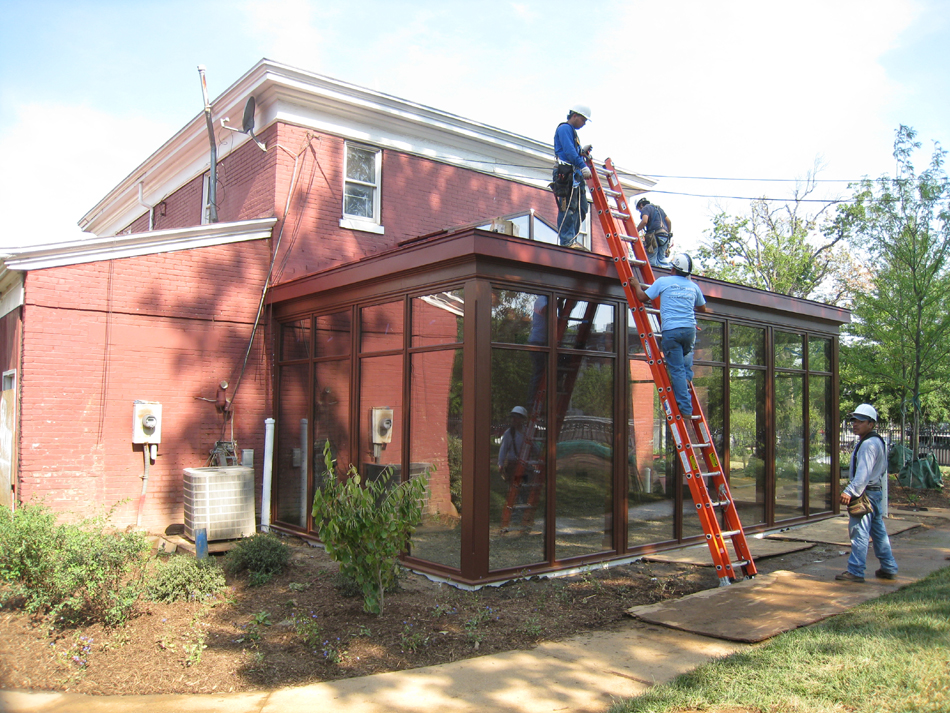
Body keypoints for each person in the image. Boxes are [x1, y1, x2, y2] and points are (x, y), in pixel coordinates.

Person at [634, 253, 707, 417]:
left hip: (672, 331)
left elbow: (641, 297)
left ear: (673, 268)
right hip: (689, 330)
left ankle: (686, 409)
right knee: (686, 357)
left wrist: (636, 284)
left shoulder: (663, 282)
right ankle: (687, 379)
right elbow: (701, 308)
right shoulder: (693, 286)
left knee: (676, 370)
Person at [836, 403, 899, 583]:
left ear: (871, 424)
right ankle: (889, 567)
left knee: (859, 533)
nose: (855, 424)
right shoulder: (876, 441)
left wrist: (850, 491)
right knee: (878, 532)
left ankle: (855, 571)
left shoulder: (868, 444)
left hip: (865, 494)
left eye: (860, 421)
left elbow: (862, 474)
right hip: (874, 493)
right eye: (854, 420)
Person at [552, 104, 592, 249]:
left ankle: (572, 238)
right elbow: (568, 151)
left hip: (575, 175)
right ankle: (567, 241)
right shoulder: (564, 128)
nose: (584, 123)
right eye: (583, 120)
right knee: (568, 207)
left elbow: (572, 150)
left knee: (581, 208)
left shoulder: (573, 133)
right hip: (566, 173)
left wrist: (581, 151)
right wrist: (582, 165)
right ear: (574, 116)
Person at [635, 198, 673, 268]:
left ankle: (652, 278)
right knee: (662, 261)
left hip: (654, 236)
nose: (640, 211)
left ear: (640, 205)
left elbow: (644, 221)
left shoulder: (645, 208)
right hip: (664, 236)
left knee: (651, 261)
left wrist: (635, 231)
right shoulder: (659, 209)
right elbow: (669, 221)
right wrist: (668, 233)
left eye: (639, 209)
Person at [498, 406, 530, 480]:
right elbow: (503, 449)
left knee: (525, 485)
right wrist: (501, 464)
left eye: (516, 417)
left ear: (522, 419)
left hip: (526, 465)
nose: (513, 420)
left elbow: (534, 446)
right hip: (513, 465)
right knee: (514, 486)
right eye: (512, 417)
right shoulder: (508, 433)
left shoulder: (527, 432)